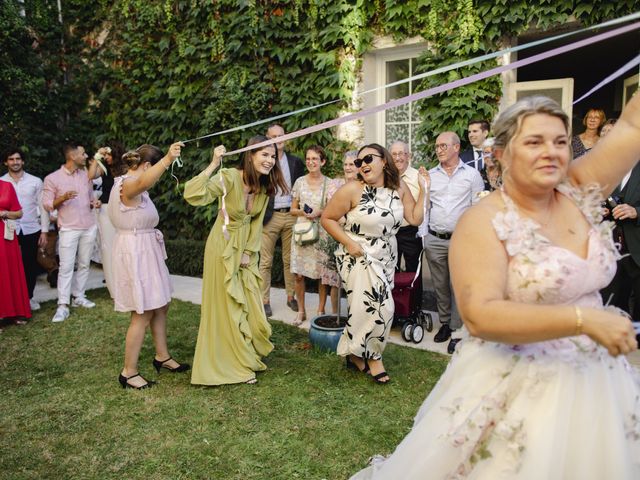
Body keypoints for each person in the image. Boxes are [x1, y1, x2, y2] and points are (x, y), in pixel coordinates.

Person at [349, 95, 640, 479]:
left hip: (599, 379)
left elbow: (632, 128)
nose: (551, 152)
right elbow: (481, 314)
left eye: (558, 141)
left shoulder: (578, 189)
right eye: (534, 142)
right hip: (517, 380)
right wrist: (584, 321)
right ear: (500, 154)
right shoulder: (483, 221)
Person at [321, 143, 429, 384]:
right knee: (382, 307)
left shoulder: (399, 187)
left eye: (368, 158)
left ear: (384, 160)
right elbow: (327, 218)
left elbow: (414, 218)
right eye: (359, 162)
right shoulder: (352, 189)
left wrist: (424, 190)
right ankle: (373, 358)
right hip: (357, 254)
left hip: (386, 255)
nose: (363, 165)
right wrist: (349, 243)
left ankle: (353, 354)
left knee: (364, 308)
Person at [184, 136, 288, 386]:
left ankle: (245, 355)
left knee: (251, 302)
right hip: (222, 247)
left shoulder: (263, 187)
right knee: (226, 306)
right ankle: (230, 365)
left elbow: (256, 223)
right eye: (264, 154)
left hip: (246, 250)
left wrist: (248, 253)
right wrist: (213, 163)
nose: (269, 160)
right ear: (250, 155)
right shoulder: (230, 176)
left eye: (273, 156)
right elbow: (193, 193)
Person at [109, 143, 189, 389]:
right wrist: (167, 159)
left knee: (161, 304)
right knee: (142, 312)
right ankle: (129, 371)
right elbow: (144, 183)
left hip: (147, 248)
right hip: (135, 252)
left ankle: (162, 356)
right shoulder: (127, 184)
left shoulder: (136, 184)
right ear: (145, 166)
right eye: (153, 169)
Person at [426, 132, 484, 354]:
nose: (439, 150)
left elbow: (477, 209)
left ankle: (457, 329)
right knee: (440, 285)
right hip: (435, 238)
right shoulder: (431, 175)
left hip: (461, 240)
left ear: (457, 148)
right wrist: (425, 237)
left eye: (443, 146)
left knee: (457, 286)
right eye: (437, 146)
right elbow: (426, 207)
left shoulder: (472, 175)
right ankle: (444, 324)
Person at [43, 143, 101, 323]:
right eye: (83, 154)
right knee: (66, 268)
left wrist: (94, 203)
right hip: (68, 228)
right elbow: (47, 204)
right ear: (72, 157)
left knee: (84, 263)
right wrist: (63, 197)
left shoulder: (86, 176)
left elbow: (90, 197)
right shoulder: (52, 178)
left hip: (89, 226)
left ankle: (79, 296)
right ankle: (62, 305)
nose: (85, 156)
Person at [259, 124, 305, 317]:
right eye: (273, 136)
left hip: (291, 216)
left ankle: (290, 297)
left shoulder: (295, 162)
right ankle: (265, 300)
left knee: (289, 260)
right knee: (265, 262)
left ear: (286, 138)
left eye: (281, 136)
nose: (278, 139)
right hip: (270, 216)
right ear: (267, 139)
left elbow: (301, 188)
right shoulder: (263, 161)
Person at [600, 118, 640, 323]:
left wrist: (636, 212)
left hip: (637, 246)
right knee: (612, 297)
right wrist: (602, 210)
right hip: (611, 245)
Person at [2, 148, 48, 311]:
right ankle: (13, 301)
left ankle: (28, 298)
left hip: (30, 228)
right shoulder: (2, 182)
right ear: (6, 162)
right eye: (11, 159)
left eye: (18, 159)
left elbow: (42, 207)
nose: (15, 162)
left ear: (23, 161)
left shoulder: (35, 181)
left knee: (29, 265)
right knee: (9, 267)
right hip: (8, 230)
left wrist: (44, 230)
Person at [290, 145, 331, 324]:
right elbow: (292, 209)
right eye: (308, 158)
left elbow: (333, 210)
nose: (310, 162)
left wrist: (318, 212)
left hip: (321, 232)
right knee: (299, 274)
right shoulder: (299, 182)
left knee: (322, 274)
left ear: (322, 161)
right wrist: (303, 213)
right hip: (302, 232)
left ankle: (320, 309)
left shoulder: (330, 184)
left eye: (315, 159)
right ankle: (301, 311)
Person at [318, 150, 359, 315]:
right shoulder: (335, 184)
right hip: (335, 236)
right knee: (335, 279)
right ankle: (336, 315)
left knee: (354, 281)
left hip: (356, 238)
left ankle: (352, 317)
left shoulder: (364, 185)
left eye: (352, 164)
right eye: (346, 164)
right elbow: (330, 210)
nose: (348, 167)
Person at [93, 143, 126, 297]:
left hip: (124, 210)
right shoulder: (104, 168)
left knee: (125, 247)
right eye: (104, 155)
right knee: (109, 248)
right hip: (106, 210)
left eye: (108, 154)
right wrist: (96, 157)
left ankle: (127, 285)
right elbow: (91, 175)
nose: (106, 157)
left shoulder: (126, 168)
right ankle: (114, 290)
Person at [0, 179, 31, 325]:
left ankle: (15, 312)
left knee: (10, 272)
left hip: (6, 236)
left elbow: (19, 213)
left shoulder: (6, 186)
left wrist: (4, 213)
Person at [390, 141, 423, 272]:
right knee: (391, 270)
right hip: (390, 231)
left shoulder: (418, 177)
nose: (398, 158)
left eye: (401, 154)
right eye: (394, 154)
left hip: (411, 231)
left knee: (414, 271)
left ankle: (415, 294)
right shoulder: (385, 178)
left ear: (409, 156)